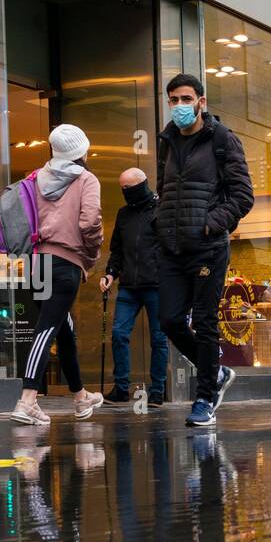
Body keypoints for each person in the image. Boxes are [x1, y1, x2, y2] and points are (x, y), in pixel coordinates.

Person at [156, 73, 254, 427]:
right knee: (168, 319)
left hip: (208, 247)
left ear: (201, 101)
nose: (179, 106)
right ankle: (216, 373)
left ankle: (204, 399)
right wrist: (161, 225)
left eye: (185, 98)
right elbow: (163, 189)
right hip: (172, 247)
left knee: (206, 321)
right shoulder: (166, 141)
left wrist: (210, 224)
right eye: (173, 100)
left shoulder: (222, 139)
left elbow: (243, 196)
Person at [10, 124, 105, 426]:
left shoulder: (34, 179)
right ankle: (27, 400)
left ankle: (80, 398)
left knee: (63, 330)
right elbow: (90, 222)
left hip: (36, 263)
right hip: (64, 264)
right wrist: (89, 255)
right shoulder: (86, 179)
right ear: (82, 150)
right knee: (46, 330)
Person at [99, 168, 167, 406]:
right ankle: (121, 388)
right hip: (129, 285)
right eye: (122, 188)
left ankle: (157, 391)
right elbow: (117, 249)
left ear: (141, 184)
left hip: (157, 285)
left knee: (159, 339)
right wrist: (109, 274)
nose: (125, 192)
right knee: (119, 334)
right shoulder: (123, 214)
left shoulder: (161, 210)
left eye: (128, 188)